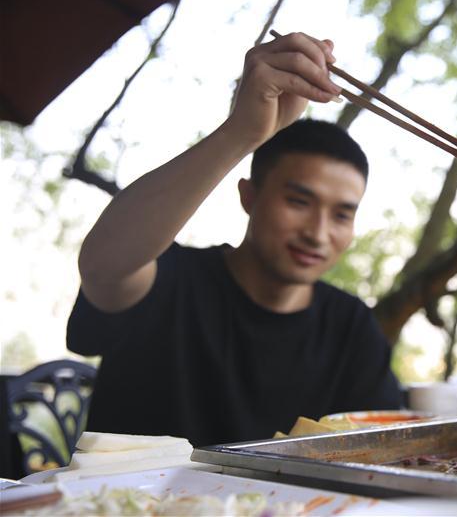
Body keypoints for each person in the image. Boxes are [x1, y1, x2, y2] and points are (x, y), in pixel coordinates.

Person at [66, 32, 402, 447]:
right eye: (299, 201)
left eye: (341, 215)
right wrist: (241, 133)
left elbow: (385, 444)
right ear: (249, 196)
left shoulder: (350, 326)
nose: (317, 232)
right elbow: (104, 266)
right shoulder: (171, 278)